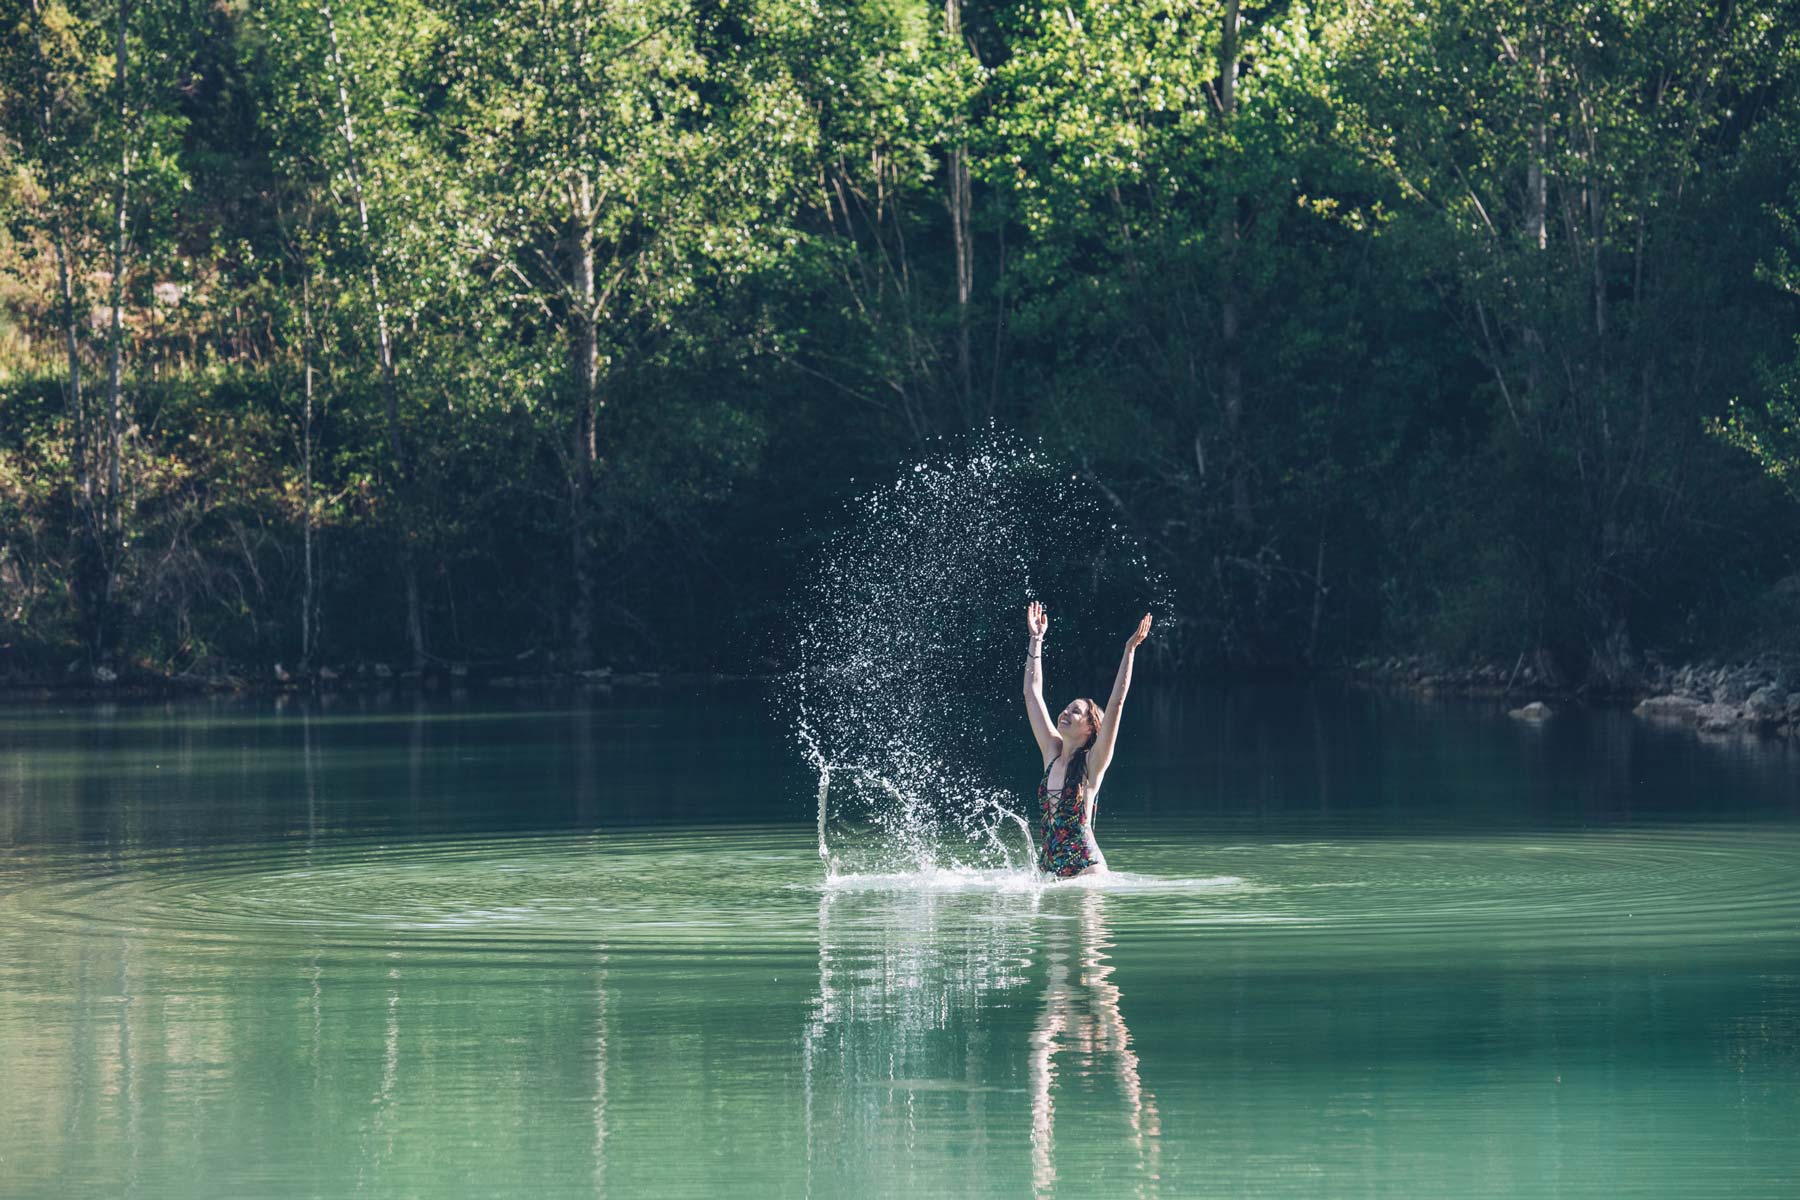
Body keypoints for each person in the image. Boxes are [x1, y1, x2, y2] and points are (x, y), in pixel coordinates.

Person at [1022, 601, 1151, 878]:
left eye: (1075, 711)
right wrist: (1036, 640)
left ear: (1091, 728)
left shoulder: (1093, 764)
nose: (1065, 712)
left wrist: (1129, 651)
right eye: (1066, 708)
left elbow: (1116, 703)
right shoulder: (1052, 752)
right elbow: (1032, 693)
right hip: (1050, 873)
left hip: (1085, 872)